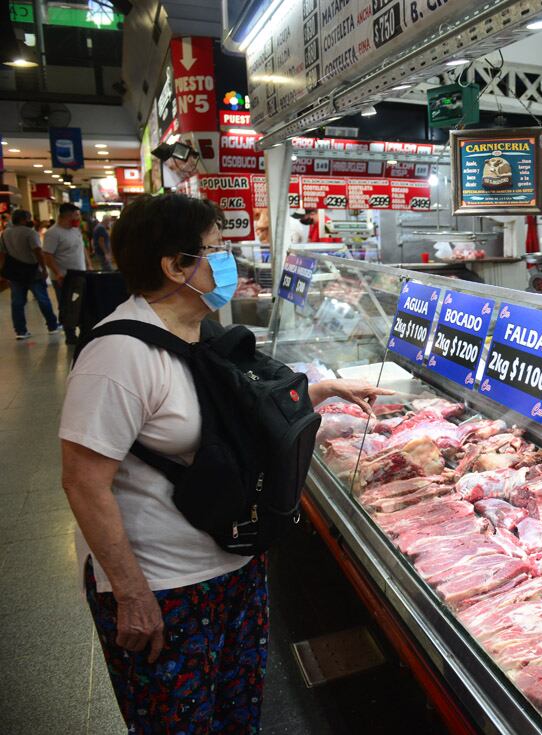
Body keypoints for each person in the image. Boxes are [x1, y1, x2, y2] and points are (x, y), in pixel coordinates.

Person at [58, 193, 392, 733]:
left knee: (236, 717)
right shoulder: (117, 356)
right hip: (166, 586)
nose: (228, 260)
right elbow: (82, 483)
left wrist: (325, 389)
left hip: (233, 564)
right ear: (174, 266)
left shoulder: (198, 329)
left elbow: (234, 415)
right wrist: (131, 593)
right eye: (217, 249)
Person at [0, 209, 61, 339]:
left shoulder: (5, 233)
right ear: (24, 219)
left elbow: (3, 254)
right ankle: (52, 325)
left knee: (17, 302)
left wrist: (3, 271)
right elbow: (38, 252)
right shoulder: (30, 233)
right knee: (43, 299)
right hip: (32, 271)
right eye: (29, 218)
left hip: (14, 272)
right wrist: (43, 268)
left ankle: (21, 331)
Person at [43, 203, 88, 343]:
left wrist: (89, 264)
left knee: (82, 303)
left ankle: (84, 330)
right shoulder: (53, 233)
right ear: (66, 216)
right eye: (76, 216)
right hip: (63, 276)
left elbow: (82, 248)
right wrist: (57, 273)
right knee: (66, 305)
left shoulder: (75, 230)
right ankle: (70, 334)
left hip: (81, 273)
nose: (78, 219)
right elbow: (47, 255)